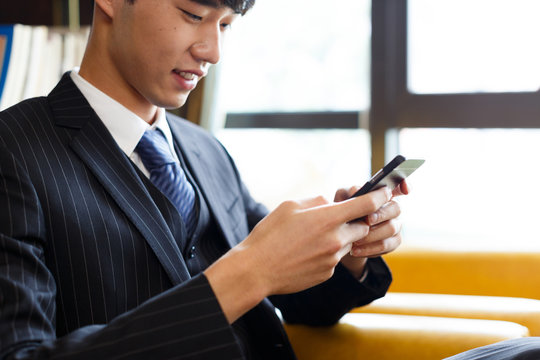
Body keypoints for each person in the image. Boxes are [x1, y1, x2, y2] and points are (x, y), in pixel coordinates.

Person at [0, 0, 407, 359]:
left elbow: (301, 303)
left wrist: (349, 250)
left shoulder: (205, 150)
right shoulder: (14, 150)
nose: (212, 51)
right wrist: (250, 270)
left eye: (226, 25)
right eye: (193, 14)